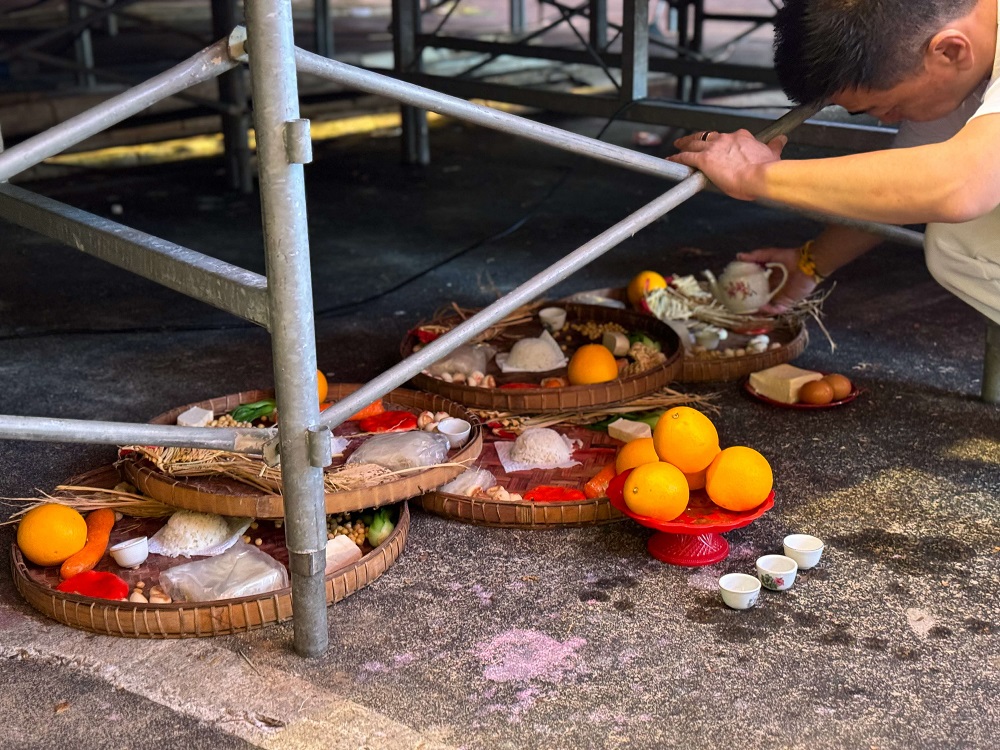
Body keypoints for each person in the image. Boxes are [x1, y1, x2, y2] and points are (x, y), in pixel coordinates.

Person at [667, 0, 1000, 334]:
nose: (886, 120)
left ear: (950, 51)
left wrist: (753, 175)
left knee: (957, 238)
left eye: (892, 106)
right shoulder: (960, 60)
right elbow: (903, 183)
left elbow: (959, 186)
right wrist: (809, 264)